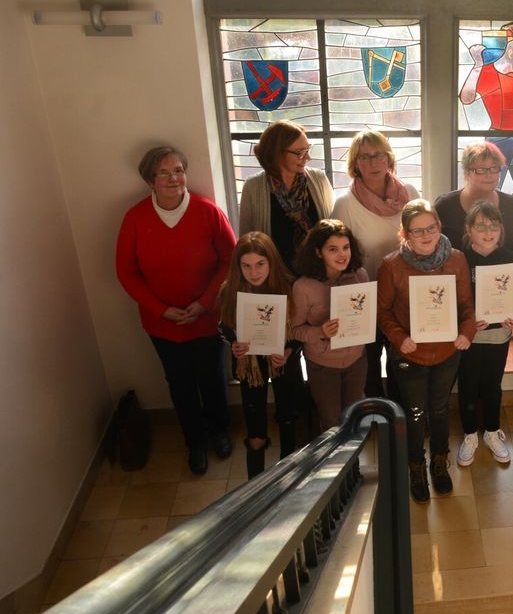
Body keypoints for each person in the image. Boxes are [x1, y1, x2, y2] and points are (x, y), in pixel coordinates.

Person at [116, 146, 236, 476]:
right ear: (149, 180)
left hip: (207, 317)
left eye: (179, 170)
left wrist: (206, 302)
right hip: (163, 324)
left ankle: (219, 431)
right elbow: (126, 272)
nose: (174, 178)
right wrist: (161, 310)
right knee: (179, 383)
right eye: (164, 173)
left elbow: (230, 258)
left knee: (212, 377)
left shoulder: (207, 211)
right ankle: (194, 442)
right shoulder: (135, 218)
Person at [377, 200, 476, 503]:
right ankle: (416, 465)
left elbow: (467, 307)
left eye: (430, 228)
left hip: (447, 352)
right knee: (415, 412)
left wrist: (466, 332)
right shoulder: (392, 265)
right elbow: (381, 313)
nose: (425, 235)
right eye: (416, 231)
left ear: (439, 227)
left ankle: (439, 461)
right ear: (405, 234)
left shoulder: (457, 259)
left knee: (441, 408)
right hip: (410, 353)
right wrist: (398, 337)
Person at [331, 128, 420, 398]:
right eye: (364, 157)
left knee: (402, 361)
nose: (372, 163)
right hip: (365, 300)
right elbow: (334, 257)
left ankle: (401, 417)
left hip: (404, 297)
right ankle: (373, 415)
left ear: (389, 159)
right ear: (355, 164)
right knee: (368, 362)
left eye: (378, 155)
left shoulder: (411, 193)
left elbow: (425, 239)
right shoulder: (345, 204)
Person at [218, 232, 304, 478]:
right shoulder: (229, 291)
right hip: (249, 365)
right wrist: (233, 343)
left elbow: (300, 329)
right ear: (238, 266)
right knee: (254, 426)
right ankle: (255, 487)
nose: (253, 272)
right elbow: (222, 328)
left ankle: (287, 478)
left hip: (284, 361)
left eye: (259, 264)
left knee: (287, 416)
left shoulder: (290, 287)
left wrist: (289, 351)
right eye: (246, 266)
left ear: (271, 262)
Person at [455, 202, 513, 467]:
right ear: (469, 229)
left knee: (492, 384)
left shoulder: (510, 257)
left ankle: (492, 431)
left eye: (494, 225)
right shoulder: (459, 259)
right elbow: (453, 299)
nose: (488, 231)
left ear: (501, 229)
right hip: (469, 336)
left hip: (497, 335)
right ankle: (470, 434)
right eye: (481, 225)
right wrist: (467, 322)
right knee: (468, 385)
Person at [290, 219, 369, 431]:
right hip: (323, 364)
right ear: (318, 252)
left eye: (346, 247)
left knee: (354, 417)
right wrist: (320, 331)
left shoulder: (360, 275)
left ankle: (353, 465)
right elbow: (294, 329)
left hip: (356, 360)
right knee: (331, 422)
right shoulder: (303, 286)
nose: (342, 255)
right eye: (333, 249)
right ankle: (335, 464)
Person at [239, 120, 334, 273]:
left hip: (319, 275)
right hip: (276, 279)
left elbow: (333, 230)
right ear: (277, 153)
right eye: (300, 152)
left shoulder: (319, 179)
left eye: (308, 149)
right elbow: (247, 242)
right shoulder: (252, 187)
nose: (307, 157)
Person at [434, 142, 513, 255]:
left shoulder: (511, 204)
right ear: (467, 173)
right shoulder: (445, 205)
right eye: (481, 169)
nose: (489, 175)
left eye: (494, 168)